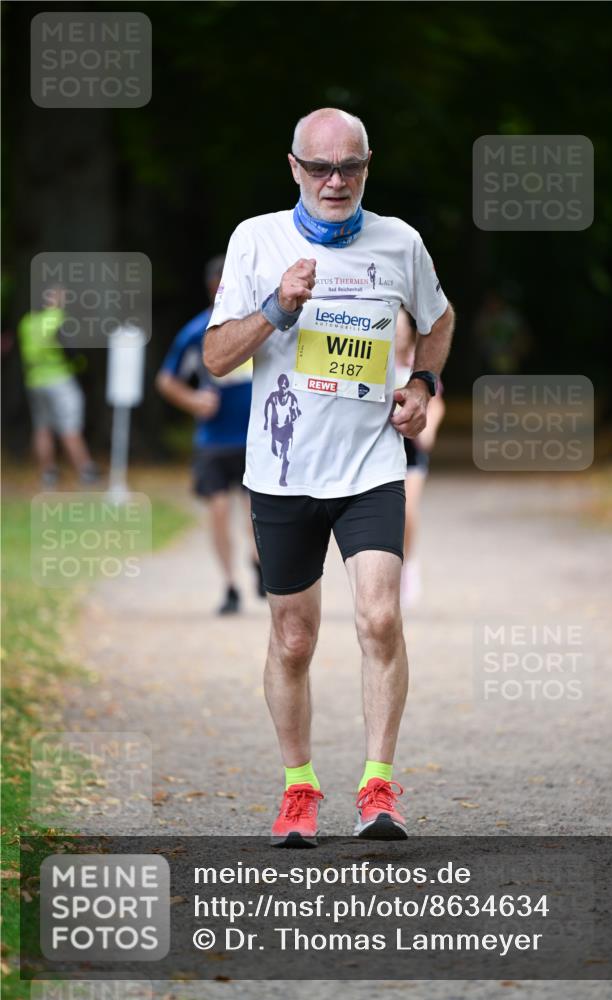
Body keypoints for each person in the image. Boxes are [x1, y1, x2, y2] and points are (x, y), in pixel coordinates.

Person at [204, 108, 455, 846]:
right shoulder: (256, 240)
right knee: (293, 637)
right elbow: (217, 358)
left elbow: (439, 320)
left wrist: (423, 384)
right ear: (294, 168)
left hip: (371, 466)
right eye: (319, 167)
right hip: (282, 473)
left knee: (379, 618)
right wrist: (277, 306)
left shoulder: (400, 241)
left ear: (368, 166)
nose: (335, 180)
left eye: (350, 166)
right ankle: (299, 787)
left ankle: (377, 786)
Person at [156, 255, 265, 615]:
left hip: (254, 437)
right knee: (218, 511)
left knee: (255, 513)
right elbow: (166, 380)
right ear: (210, 288)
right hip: (214, 440)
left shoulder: (258, 326)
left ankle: (258, 561)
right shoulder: (195, 333)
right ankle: (230, 585)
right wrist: (193, 401)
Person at [18, 286, 98, 488]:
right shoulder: (58, 319)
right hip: (59, 378)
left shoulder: (27, 322)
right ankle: (86, 471)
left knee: (42, 428)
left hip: (34, 380)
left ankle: (48, 474)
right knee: (70, 426)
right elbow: (72, 350)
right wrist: (81, 366)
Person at [394, 307, 446, 608]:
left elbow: (437, 403)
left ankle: (409, 565)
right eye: (394, 326)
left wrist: (430, 431)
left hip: (412, 450)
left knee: (407, 510)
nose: (398, 332)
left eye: (403, 327)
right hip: (383, 448)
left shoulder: (419, 362)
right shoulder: (376, 361)